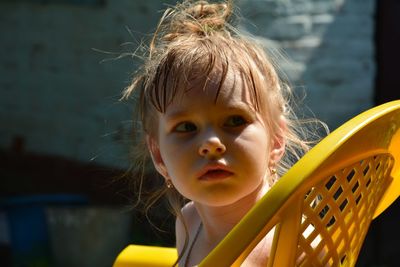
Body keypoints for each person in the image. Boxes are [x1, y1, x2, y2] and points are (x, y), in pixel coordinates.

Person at [122, 0, 326, 266]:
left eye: (234, 120)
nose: (210, 143)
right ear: (159, 156)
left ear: (276, 140)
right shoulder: (189, 222)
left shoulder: (295, 240)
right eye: (185, 127)